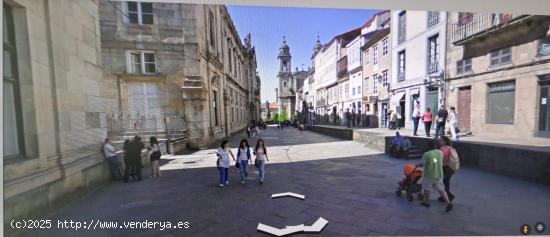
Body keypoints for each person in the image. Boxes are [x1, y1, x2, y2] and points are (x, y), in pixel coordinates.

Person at [417, 140, 453, 212]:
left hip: (429, 175)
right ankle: (448, 203)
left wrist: (418, 165)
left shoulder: (426, 154)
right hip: (439, 174)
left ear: (428, 146)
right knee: (441, 189)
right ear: (436, 146)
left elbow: (422, 164)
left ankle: (426, 202)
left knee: (427, 188)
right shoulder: (440, 153)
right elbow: (435, 160)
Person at [438, 136, 457, 202]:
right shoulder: (450, 148)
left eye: (441, 140)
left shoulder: (442, 149)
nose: (439, 141)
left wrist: (433, 160)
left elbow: (439, 159)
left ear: (444, 141)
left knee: (442, 183)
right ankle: (446, 196)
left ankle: (447, 196)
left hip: (445, 168)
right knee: (446, 182)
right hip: (452, 167)